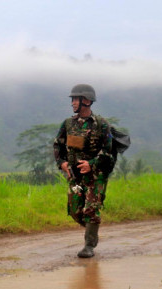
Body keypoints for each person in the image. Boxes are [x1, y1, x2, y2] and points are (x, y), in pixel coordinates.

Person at [53, 84, 114, 258]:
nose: (72, 103)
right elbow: (58, 144)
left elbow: (108, 151)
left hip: (96, 176)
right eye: (72, 99)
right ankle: (91, 227)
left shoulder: (101, 124)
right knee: (74, 209)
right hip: (74, 175)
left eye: (75, 99)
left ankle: (89, 245)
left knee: (91, 209)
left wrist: (92, 163)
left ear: (86, 101)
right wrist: (62, 163)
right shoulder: (68, 124)